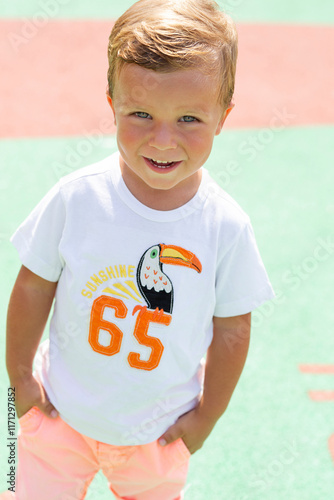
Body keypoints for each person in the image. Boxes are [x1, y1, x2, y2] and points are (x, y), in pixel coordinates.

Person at [4, 0, 275, 498]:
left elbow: (233, 327)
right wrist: (18, 380)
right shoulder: (77, 196)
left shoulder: (225, 226)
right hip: (57, 415)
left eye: (190, 118)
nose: (163, 139)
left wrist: (207, 417)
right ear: (112, 103)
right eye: (141, 113)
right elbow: (33, 283)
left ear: (223, 117)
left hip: (157, 433)